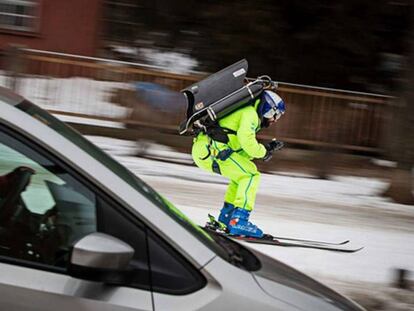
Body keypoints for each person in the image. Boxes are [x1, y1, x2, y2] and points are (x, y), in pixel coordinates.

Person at [192, 90, 285, 238]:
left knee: (241, 177)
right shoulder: (251, 114)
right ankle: (239, 220)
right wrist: (263, 152)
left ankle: (226, 219)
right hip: (213, 150)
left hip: (207, 150)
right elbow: (248, 143)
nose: (274, 120)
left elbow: (241, 150)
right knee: (251, 174)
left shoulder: (246, 113)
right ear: (268, 108)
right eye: (276, 114)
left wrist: (266, 149)